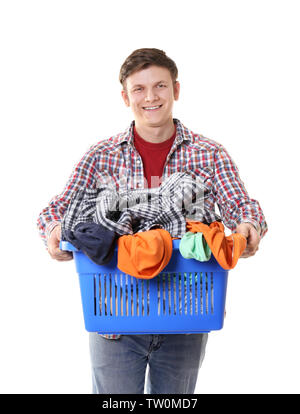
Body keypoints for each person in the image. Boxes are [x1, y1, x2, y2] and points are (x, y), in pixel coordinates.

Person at [37, 48, 267, 394]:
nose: (150, 97)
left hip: (187, 312)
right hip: (114, 316)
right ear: (125, 96)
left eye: (159, 86)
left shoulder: (209, 154)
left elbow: (241, 204)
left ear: (176, 89)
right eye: (139, 89)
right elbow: (57, 209)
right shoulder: (102, 155)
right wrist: (55, 231)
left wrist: (248, 224)